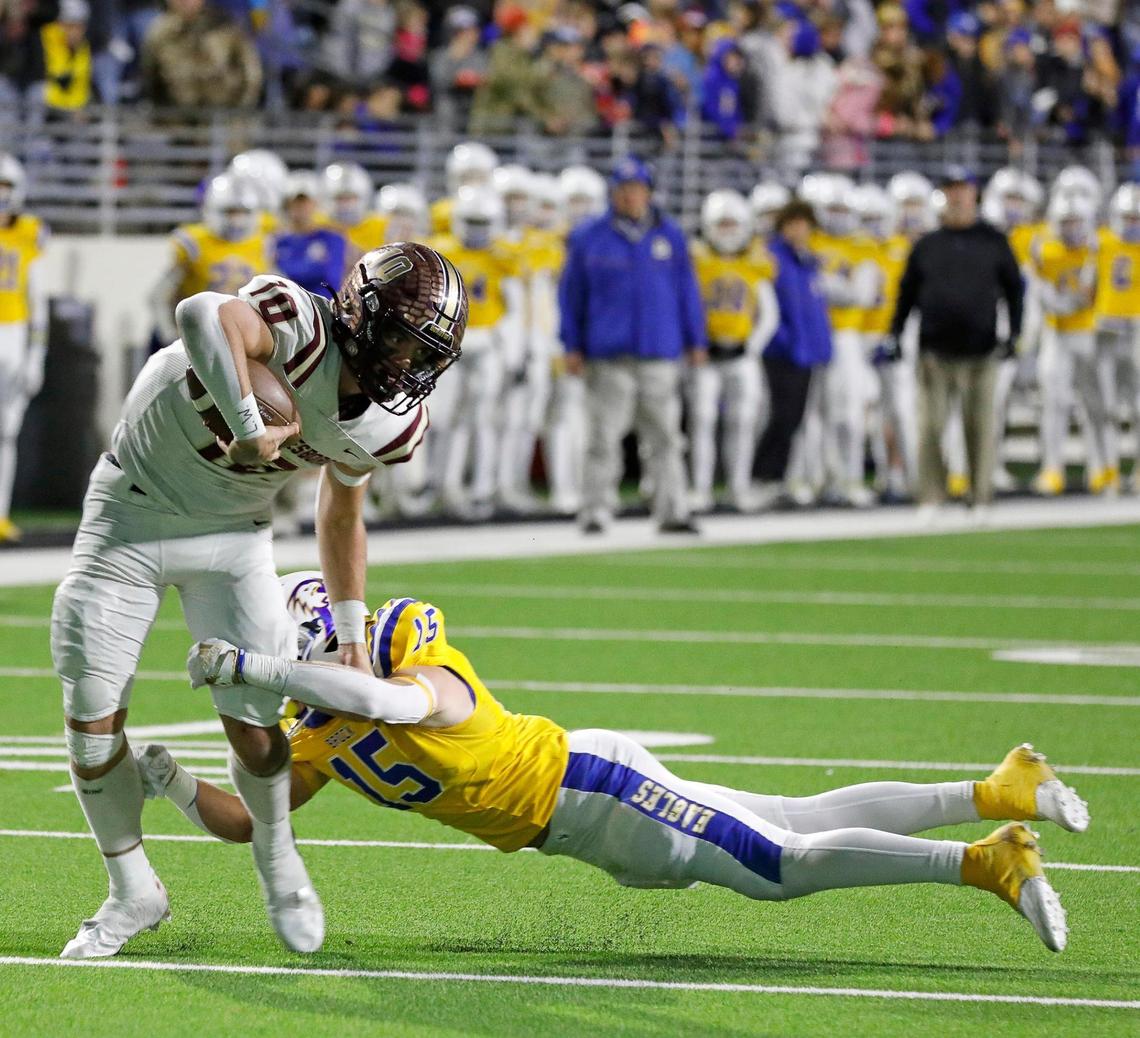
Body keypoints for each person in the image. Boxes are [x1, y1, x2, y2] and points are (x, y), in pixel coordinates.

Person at [144, 571, 1082, 954]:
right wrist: (171, 777)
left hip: (592, 785)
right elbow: (248, 816)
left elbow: (393, 703)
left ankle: (986, 860)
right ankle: (995, 790)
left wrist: (261, 669)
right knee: (792, 821)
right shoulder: (314, 733)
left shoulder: (401, 645)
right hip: (579, 826)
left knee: (779, 870)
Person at [50, 243, 468, 959]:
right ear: (361, 316)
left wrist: (351, 636)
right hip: (127, 515)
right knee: (92, 732)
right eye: (399, 339)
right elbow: (200, 314)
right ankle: (132, 891)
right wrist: (249, 425)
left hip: (233, 537)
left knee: (253, 727)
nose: (407, 364)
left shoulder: (390, 425)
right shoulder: (298, 326)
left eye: (424, 352)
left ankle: (278, 862)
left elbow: (341, 515)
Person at [559, 157, 705, 535]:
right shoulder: (589, 235)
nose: (630, 196)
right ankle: (594, 510)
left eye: (637, 189)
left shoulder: (669, 234)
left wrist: (695, 339)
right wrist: (571, 344)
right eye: (623, 189)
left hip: (659, 350)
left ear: (649, 192)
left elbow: (687, 291)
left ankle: (673, 509)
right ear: (613, 193)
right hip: (608, 354)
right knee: (603, 436)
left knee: (667, 437)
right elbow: (571, 296)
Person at [881, 166, 1023, 520]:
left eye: (962, 189)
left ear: (974, 194)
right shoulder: (928, 244)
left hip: (982, 350)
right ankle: (931, 497)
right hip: (934, 351)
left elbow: (1014, 290)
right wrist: (896, 333)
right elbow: (906, 294)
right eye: (951, 189)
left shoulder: (993, 241)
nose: (957, 196)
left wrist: (1015, 334)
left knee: (980, 429)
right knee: (930, 427)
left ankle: (980, 498)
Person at [426, 185, 523, 519]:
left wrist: (514, 350)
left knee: (484, 418)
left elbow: (515, 307)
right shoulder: (441, 250)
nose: (479, 230)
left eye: (484, 222)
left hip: (488, 339)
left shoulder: (504, 255)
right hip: (450, 341)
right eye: (473, 221)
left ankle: (483, 489)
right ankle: (443, 485)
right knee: (444, 416)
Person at [688, 189, 778, 513]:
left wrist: (751, 347)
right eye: (721, 224)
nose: (727, 231)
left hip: (741, 353)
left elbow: (769, 314)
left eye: (732, 224)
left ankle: (738, 487)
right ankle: (700, 488)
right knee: (702, 420)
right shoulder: (696, 259)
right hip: (706, 354)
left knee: (743, 422)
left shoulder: (756, 260)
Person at [753, 198, 832, 507]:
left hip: (806, 350)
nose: (799, 230)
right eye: (793, 224)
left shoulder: (808, 261)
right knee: (781, 416)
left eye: (804, 224)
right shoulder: (771, 258)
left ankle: (779, 478)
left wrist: (820, 346)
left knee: (795, 418)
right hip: (780, 350)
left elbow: (815, 310)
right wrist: (782, 341)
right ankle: (763, 477)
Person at [150, 172, 272, 343]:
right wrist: (170, 336)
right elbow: (158, 295)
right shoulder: (193, 243)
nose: (236, 220)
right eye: (230, 212)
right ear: (212, 209)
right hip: (199, 332)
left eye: (242, 212)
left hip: (244, 335)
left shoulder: (263, 243)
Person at [0, 153, 48, 545]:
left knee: (6, 431)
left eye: (6, 187)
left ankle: (0, 514)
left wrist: (36, 354)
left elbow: (38, 298)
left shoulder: (29, 231)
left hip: (12, 332)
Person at [140, 0, 262, 110]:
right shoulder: (159, 33)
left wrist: (239, 114)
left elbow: (251, 75)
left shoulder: (226, 27)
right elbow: (151, 78)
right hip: (177, 121)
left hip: (224, 121)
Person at [273, 171, 348, 300]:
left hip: (324, 307)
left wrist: (292, 273)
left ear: (315, 204)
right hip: (289, 307)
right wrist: (314, 268)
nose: (300, 207)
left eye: (305, 202)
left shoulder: (332, 238)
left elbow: (331, 280)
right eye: (295, 202)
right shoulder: (279, 241)